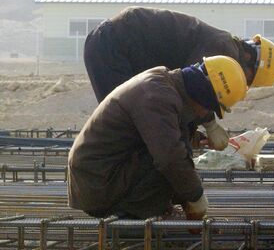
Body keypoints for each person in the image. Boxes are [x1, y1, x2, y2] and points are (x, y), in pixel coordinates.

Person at [68, 55, 247, 220]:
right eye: (210, 109)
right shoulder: (157, 96)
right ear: (203, 97)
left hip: (103, 175)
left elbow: (160, 132)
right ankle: (132, 217)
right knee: (173, 164)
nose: (206, 114)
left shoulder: (165, 85)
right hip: (97, 184)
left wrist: (197, 138)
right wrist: (196, 196)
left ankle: (149, 208)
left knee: (179, 160)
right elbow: (169, 157)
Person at [84, 6, 274, 150]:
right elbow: (193, 89)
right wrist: (209, 125)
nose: (244, 82)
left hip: (113, 44)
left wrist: (191, 134)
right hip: (112, 46)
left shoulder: (223, 43)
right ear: (249, 59)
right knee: (126, 125)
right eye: (249, 80)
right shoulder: (224, 49)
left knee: (138, 126)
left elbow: (184, 94)